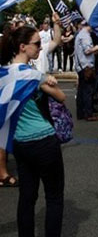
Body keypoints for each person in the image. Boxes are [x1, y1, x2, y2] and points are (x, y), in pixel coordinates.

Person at [3, 25, 67, 237]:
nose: (40, 48)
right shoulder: (33, 76)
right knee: (54, 197)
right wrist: (48, 79)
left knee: (27, 197)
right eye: (37, 44)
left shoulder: (4, 76)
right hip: (44, 140)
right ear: (23, 47)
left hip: (20, 143)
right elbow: (61, 96)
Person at [73, 20, 98, 121]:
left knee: (81, 91)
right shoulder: (85, 36)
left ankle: (81, 113)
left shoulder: (80, 34)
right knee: (87, 91)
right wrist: (97, 47)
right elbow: (87, 51)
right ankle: (88, 113)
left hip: (81, 66)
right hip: (86, 66)